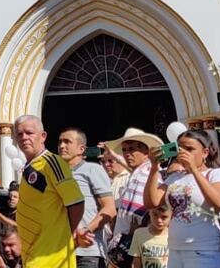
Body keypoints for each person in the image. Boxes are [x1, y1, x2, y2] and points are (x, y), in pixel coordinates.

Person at [143, 130, 220, 268]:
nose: (183, 152)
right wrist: (154, 168)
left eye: (190, 149)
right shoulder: (175, 177)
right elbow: (151, 202)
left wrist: (194, 170)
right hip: (175, 250)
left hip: (204, 251)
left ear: (205, 152)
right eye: (180, 148)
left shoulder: (216, 174)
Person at [11, 115, 87, 268]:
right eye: (19, 134)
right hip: (33, 256)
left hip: (51, 258)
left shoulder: (51, 163)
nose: (24, 137)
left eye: (29, 133)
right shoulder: (29, 167)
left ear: (43, 136)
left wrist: (67, 236)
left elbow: (76, 202)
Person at [57, 129, 115, 268]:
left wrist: (86, 230)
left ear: (81, 149)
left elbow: (110, 209)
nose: (62, 146)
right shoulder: (55, 174)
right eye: (60, 142)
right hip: (60, 252)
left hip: (87, 253)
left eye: (67, 142)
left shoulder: (92, 169)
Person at [103, 129, 161, 268]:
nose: (127, 154)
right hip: (125, 239)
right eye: (124, 150)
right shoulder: (138, 172)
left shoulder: (149, 173)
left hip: (134, 240)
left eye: (132, 149)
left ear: (146, 152)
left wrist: (136, 231)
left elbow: (151, 206)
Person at [128, 204, 169, 268]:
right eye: (155, 215)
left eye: (164, 217)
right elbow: (136, 262)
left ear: (171, 216)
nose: (159, 220)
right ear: (149, 212)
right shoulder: (139, 234)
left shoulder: (174, 236)